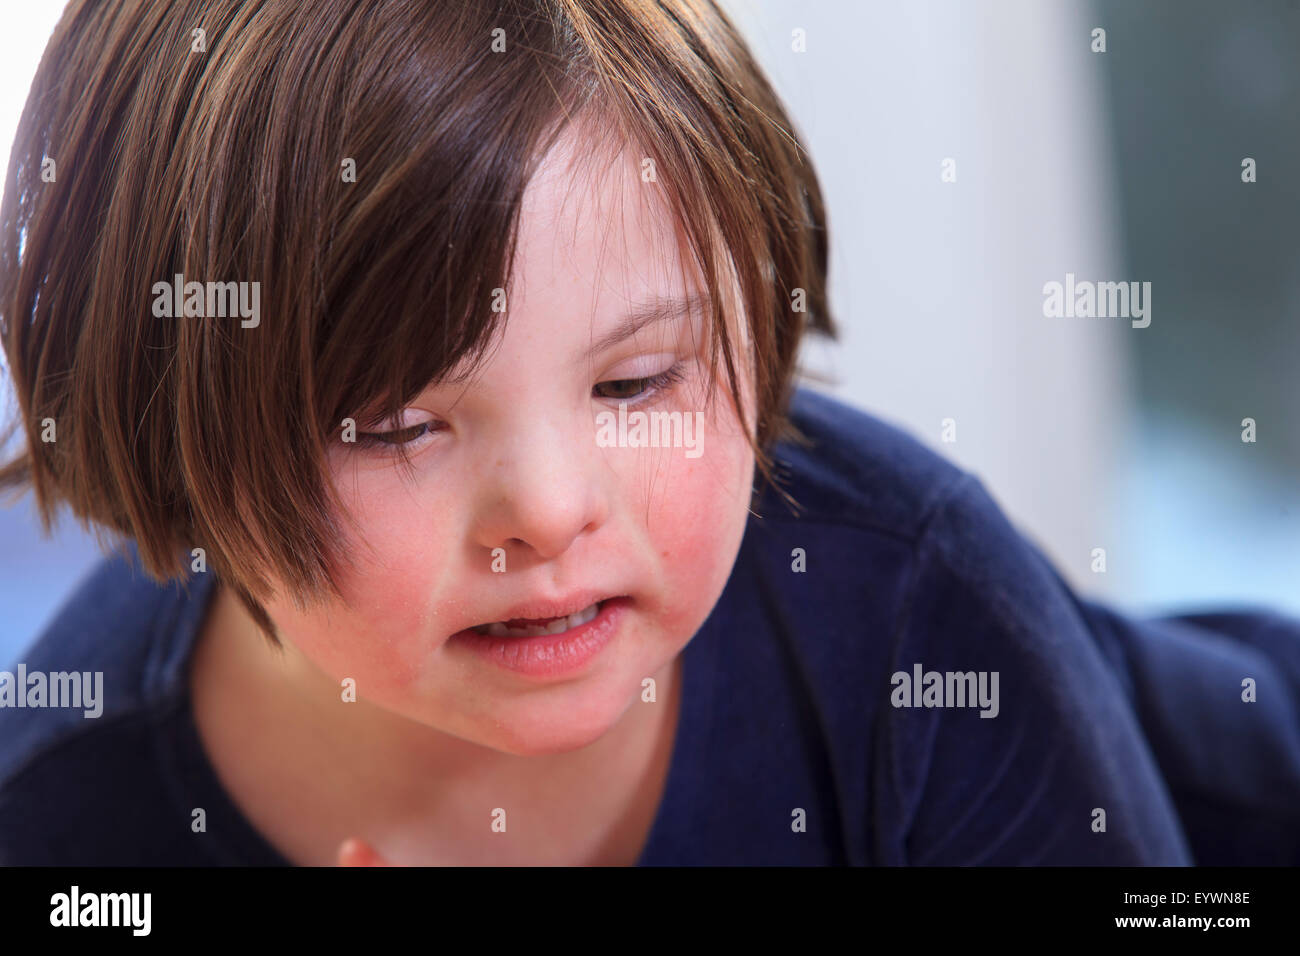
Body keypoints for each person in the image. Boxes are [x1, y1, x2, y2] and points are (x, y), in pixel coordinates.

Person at [1, 0, 1297, 866]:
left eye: (634, 386)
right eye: (399, 425)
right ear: (168, 422)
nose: (551, 510)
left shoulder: (914, 608)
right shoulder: (61, 811)